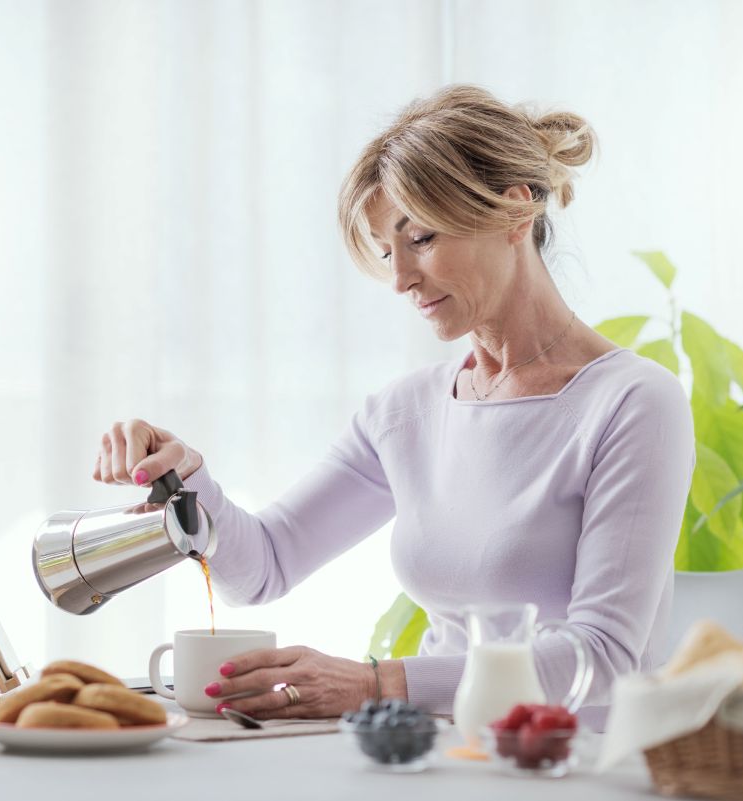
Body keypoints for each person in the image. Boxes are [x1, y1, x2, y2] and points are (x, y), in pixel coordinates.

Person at [92, 85, 694, 730]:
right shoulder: (405, 412)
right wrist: (185, 477)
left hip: (569, 761)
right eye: (387, 252)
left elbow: (605, 656)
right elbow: (262, 568)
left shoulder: (632, 403)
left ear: (516, 213)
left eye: (422, 239)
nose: (401, 278)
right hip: (434, 750)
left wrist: (378, 683)